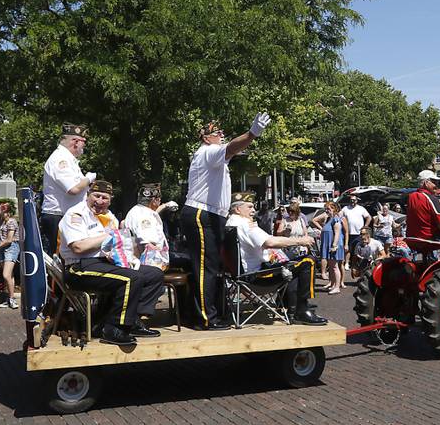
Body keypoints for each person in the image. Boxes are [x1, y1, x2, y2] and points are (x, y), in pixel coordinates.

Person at [180, 114, 270, 330]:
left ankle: (207, 313)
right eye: (217, 133)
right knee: (206, 268)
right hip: (203, 214)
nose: (221, 136)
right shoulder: (208, 152)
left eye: (221, 133)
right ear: (205, 137)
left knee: (211, 267)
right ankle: (205, 318)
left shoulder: (210, 155)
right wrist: (252, 134)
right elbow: (231, 148)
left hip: (211, 215)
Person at [59, 180, 165, 345]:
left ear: (110, 200)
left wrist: (130, 257)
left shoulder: (109, 217)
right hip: (79, 267)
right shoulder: (75, 214)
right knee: (132, 278)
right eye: (96, 196)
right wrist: (108, 236)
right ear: (88, 195)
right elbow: (78, 247)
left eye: (105, 198)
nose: (100, 201)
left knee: (154, 274)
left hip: (105, 263)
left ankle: (134, 320)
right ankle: (114, 328)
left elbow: (121, 243)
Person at [226, 192, 326, 324]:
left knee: (293, 260)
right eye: (249, 207)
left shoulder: (230, 223)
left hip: (241, 276)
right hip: (257, 277)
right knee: (308, 260)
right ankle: (301, 309)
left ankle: (288, 305)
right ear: (238, 209)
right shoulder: (245, 225)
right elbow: (269, 242)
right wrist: (300, 241)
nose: (253, 210)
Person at [41, 123, 96, 257]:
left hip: (66, 214)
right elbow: (73, 188)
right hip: (58, 215)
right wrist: (89, 178)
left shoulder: (69, 160)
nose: (84, 146)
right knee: (58, 258)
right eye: (84, 142)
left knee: (68, 257)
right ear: (75, 142)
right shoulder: (61, 159)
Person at [123, 183, 177, 270]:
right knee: (187, 261)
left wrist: (165, 205)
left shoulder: (137, 210)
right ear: (154, 200)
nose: (160, 202)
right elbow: (149, 245)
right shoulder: (145, 216)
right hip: (150, 264)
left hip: (137, 260)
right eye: (159, 199)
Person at [0, 201, 19, 309]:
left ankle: (12, 299)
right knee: (9, 276)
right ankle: (9, 298)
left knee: (6, 275)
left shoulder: (12, 222)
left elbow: (9, 240)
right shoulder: (2, 221)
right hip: (2, 249)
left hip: (11, 248)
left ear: (4, 210)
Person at [311, 201, 346, 293]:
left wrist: (334, 245)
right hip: (328, 245)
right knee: (331, 266)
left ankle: (337, 287)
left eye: (329, 209)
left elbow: (337, 233)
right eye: (326, 209)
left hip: (333, 246)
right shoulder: (329, 218)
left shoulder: (336, 219)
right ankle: (333, 284)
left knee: (334, 267)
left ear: (334, 209)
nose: (327, 211)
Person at [341, 194, 371, 272]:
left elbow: (369, 217)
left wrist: (365, 227)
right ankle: (347, 263)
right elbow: (339, 216)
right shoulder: (345, 208)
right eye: (351, 200)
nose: (352, 201)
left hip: (359, 234)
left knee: (357, 250)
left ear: (357, 200)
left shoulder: (361, 209)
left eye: (354, 200)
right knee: (348, 249)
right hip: (349, 233)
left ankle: (356, 265)